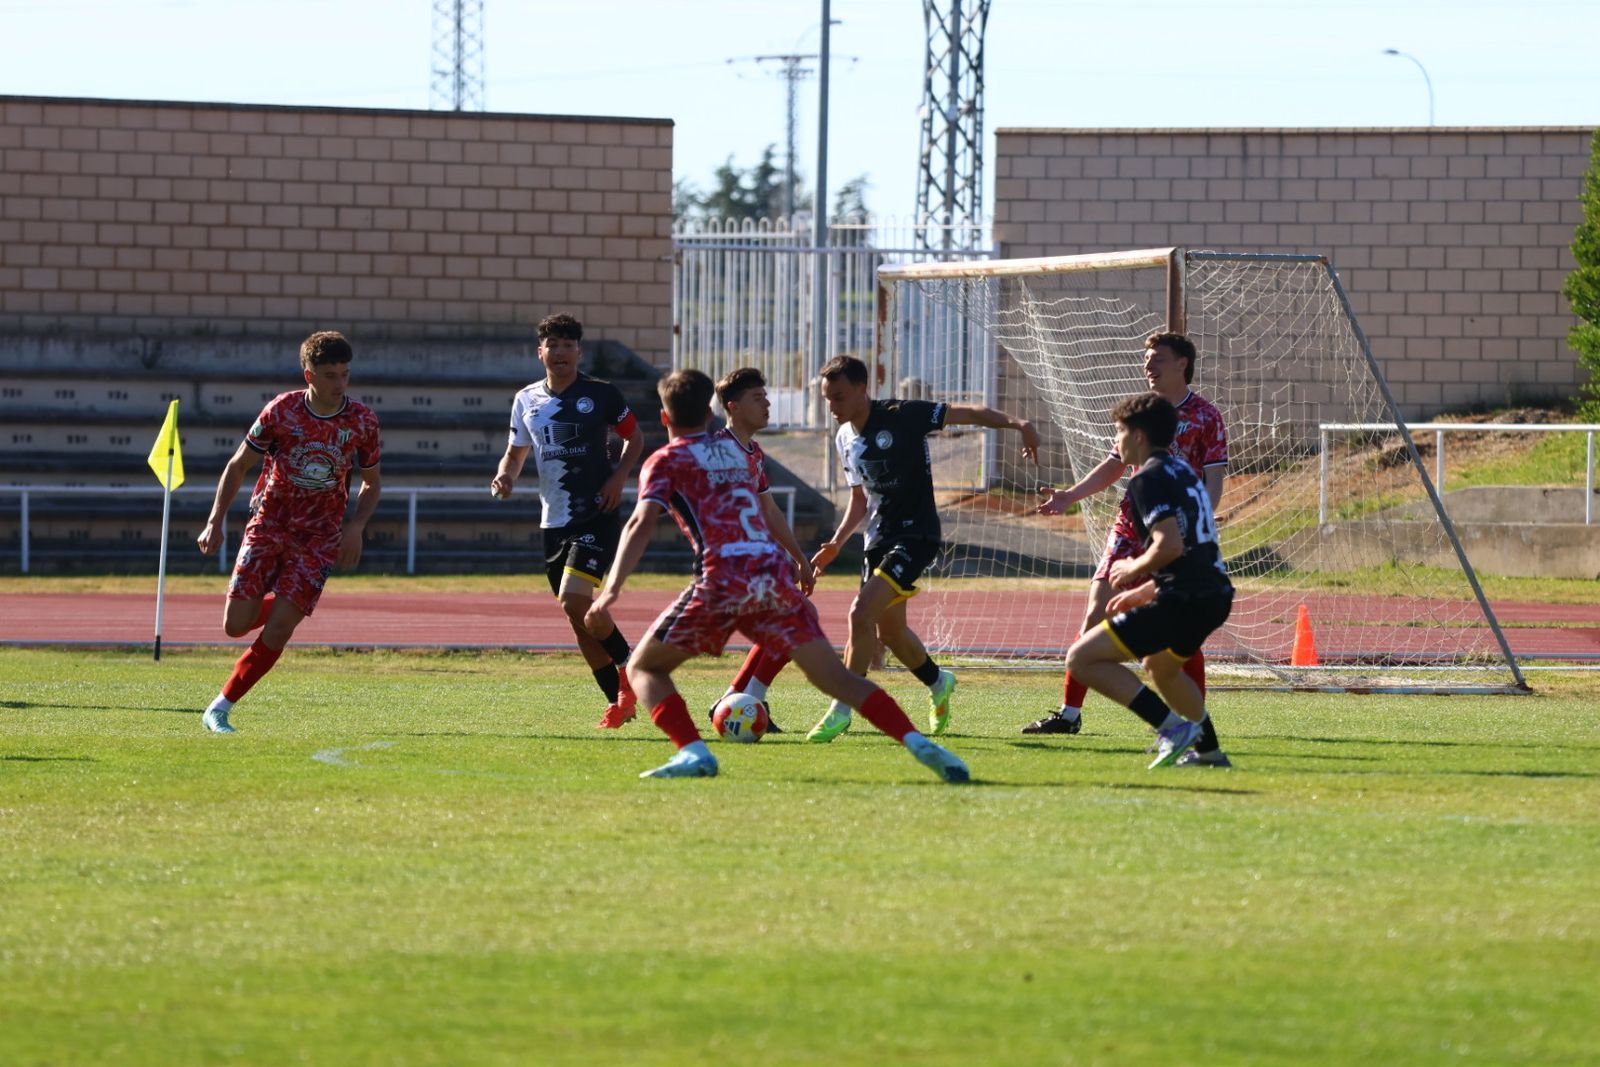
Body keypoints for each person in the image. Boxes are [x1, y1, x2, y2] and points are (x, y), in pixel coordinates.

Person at [587, 368, 970, 783]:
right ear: (712, 412)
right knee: (837, 678)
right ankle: (919, 743)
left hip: (723, 577)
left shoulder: (666, 460)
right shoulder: (739, 455)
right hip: (770, 574)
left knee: (644, 668)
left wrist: (610, 590)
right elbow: (760, 510)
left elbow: (640, 523)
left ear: (665, 419)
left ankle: (693, 752)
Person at [803, 355, 1041, 743]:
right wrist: (836, 543)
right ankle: (938, 682)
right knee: (892, 633)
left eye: (839, 398)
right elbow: (860, 501)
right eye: (828, 399)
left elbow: (969, 413)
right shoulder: (844, 436)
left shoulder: (902, 414)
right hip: (877, 540)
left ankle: (841, 708)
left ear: (863, 390)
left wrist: (1019, 424)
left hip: (916, 535)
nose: (833, 407)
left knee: (859, 613)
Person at [1028, 331, 1232, 767]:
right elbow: (1115, 465)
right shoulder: (1154, 443)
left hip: (1171, 544)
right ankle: (1202, 746)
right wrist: (1069, 496)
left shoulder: (1200, 422)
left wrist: (1146, 564)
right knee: (1142, 647)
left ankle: (1177, 728)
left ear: (1183, 363)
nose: (1148, 365)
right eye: (1146, 358)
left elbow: (1192, 510)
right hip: (1170, 549)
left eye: (1157, 358)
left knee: (1130, 654)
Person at [195, 330, 382, 733]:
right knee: (235, 625)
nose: (340, 384)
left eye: (345, 374)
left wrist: (356, 528)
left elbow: (372, 482)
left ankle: (220, 708)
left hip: (319, 538)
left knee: (280, 629)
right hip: (270, 525)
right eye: (330, 375)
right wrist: (215, 520)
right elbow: (238, 465)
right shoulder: (282, 410)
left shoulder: (362, 421)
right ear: (309, 376)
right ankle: (285, 605)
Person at [491, 313, 645, 729]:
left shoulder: (601, 394)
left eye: (567, 344)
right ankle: (618, 701)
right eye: (552, 345)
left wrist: (619, 477)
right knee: (576, 618)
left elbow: (636, 436)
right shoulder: (526, 399)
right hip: (552, 520)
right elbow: (516, 451)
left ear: (579, 351)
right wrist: (506, 473)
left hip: (597, 512)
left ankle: (632, 668)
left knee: (574, 601)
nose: (559, 352)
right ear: (539, 352)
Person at [703, 367, 817, 734]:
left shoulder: (753, 451)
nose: (767, 404)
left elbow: (768, 510)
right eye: (758, 398)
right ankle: (748, 701)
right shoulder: (720, 451)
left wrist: (798, 557)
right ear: (732, 407)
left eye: (766, 397)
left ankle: (734, 699)